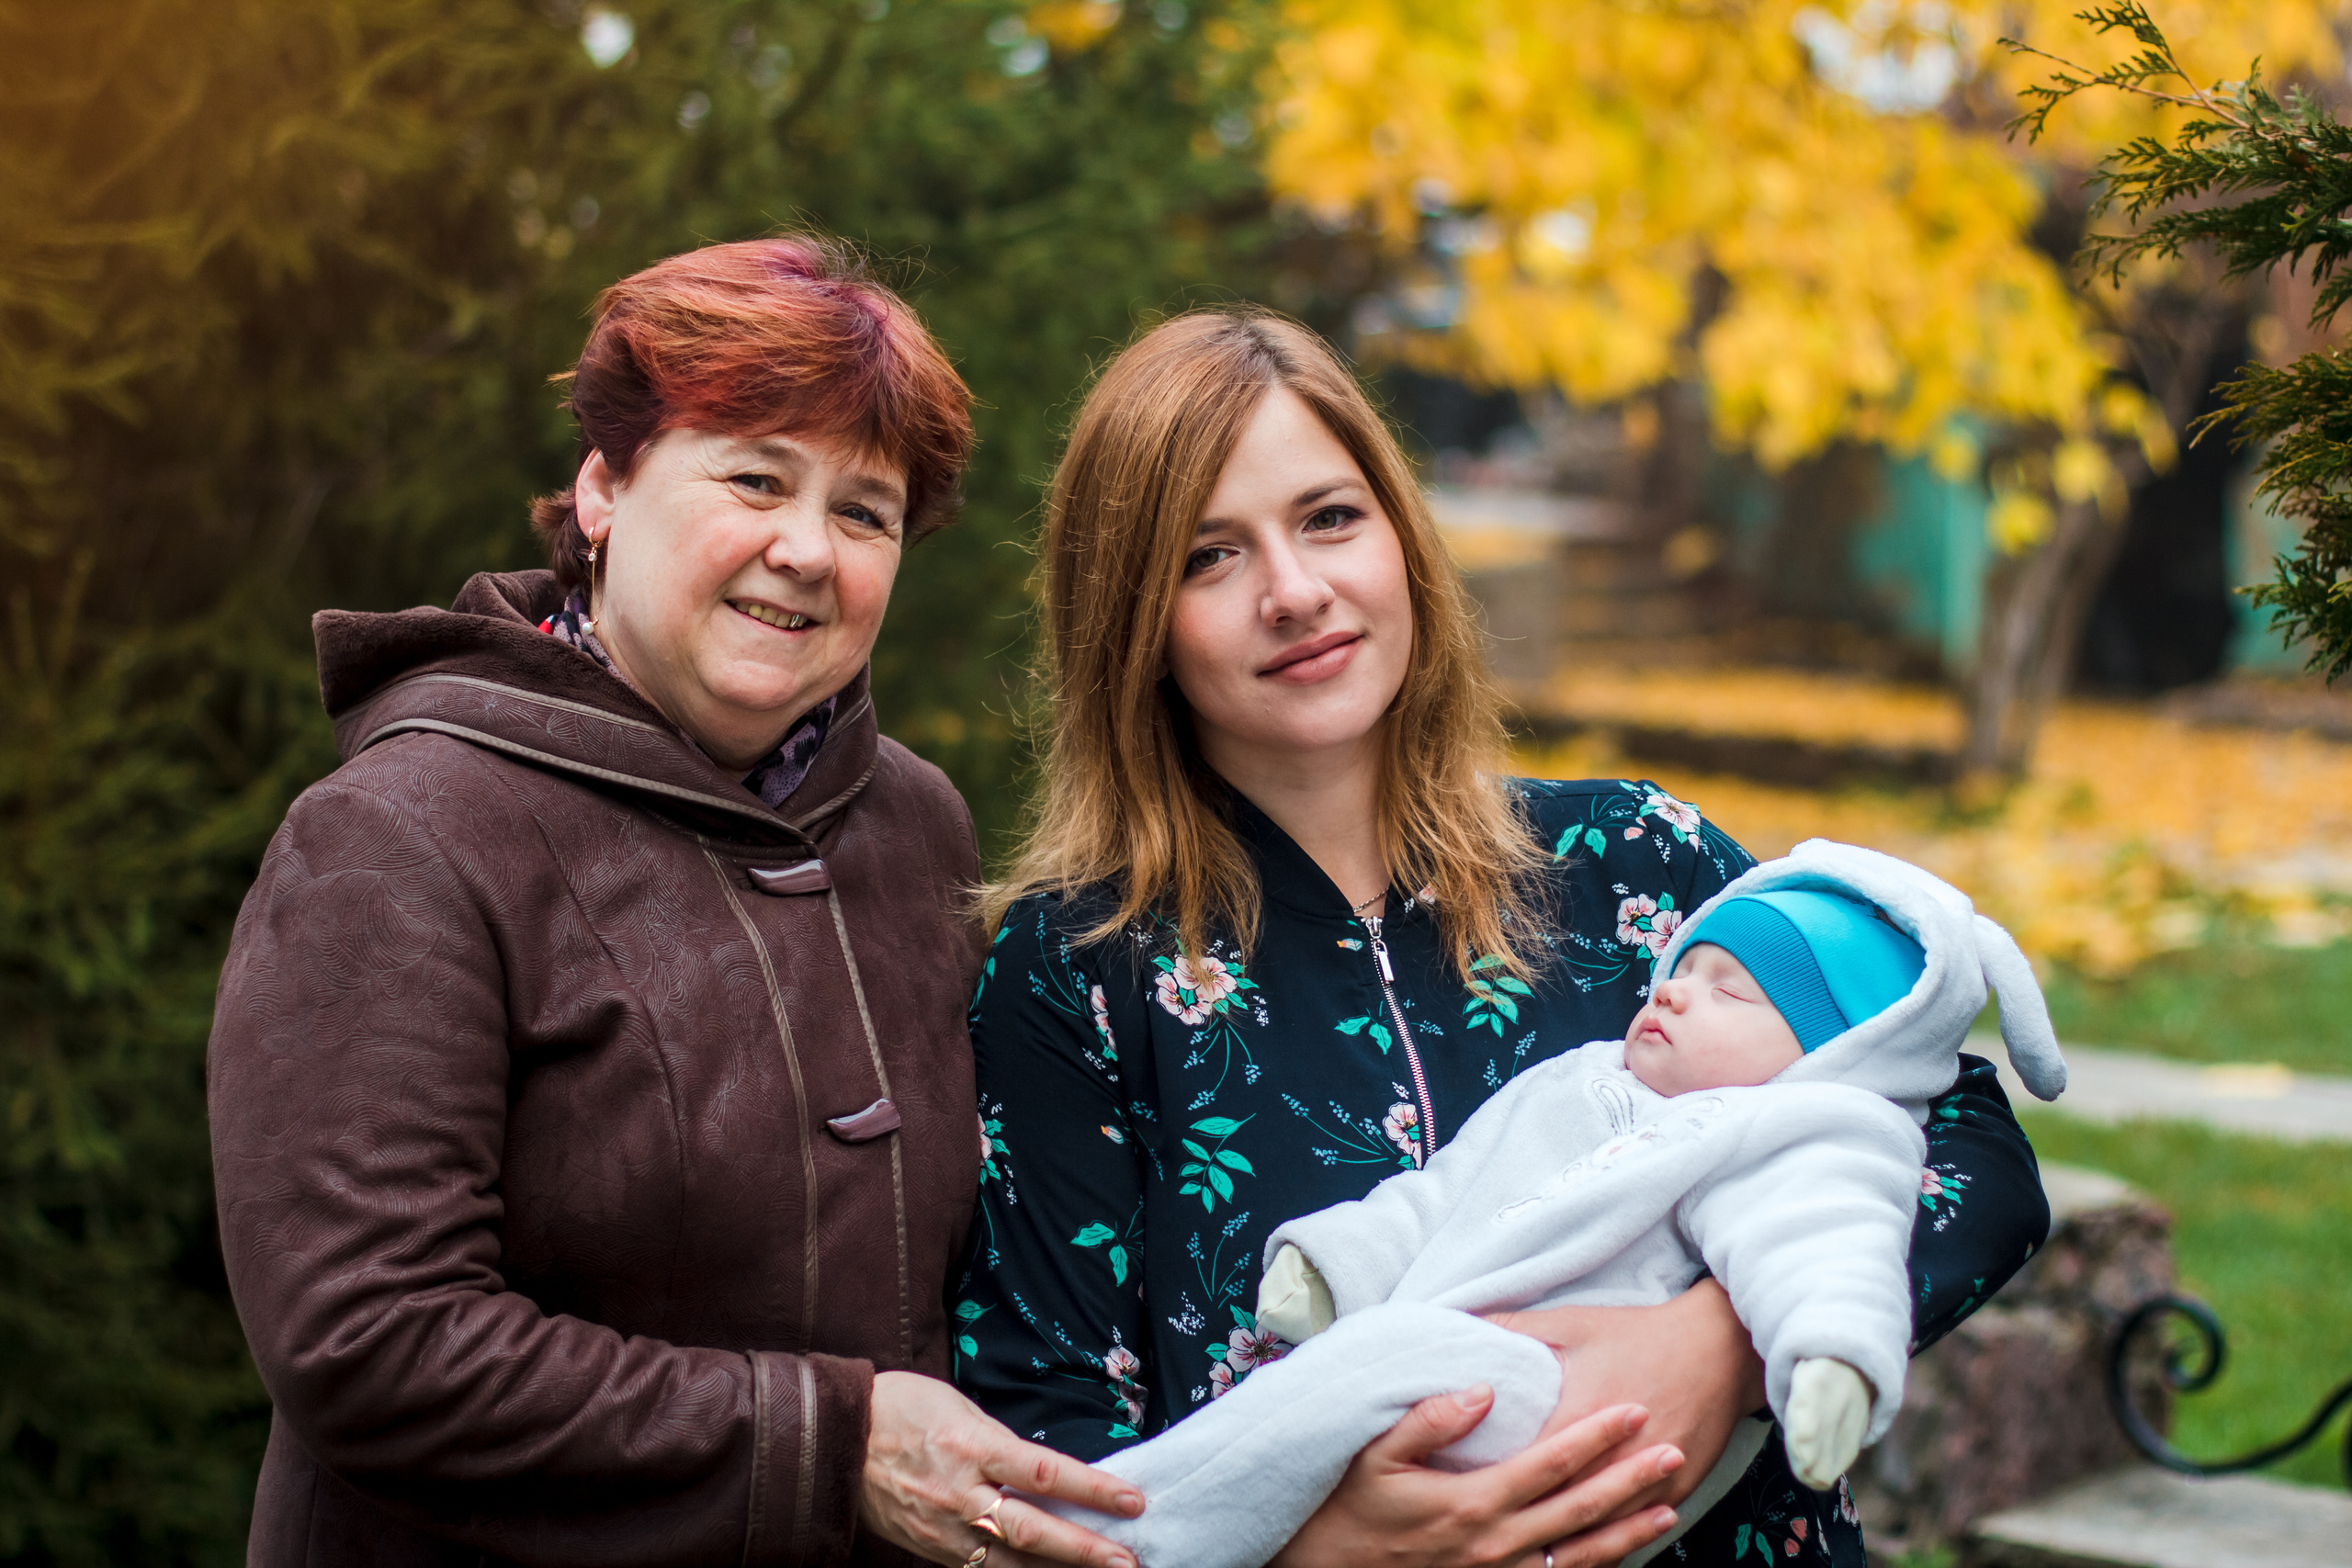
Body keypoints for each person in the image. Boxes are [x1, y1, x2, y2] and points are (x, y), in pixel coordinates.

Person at [954, 310, 2053, 1568]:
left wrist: (1723, 1348)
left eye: (1329, 517)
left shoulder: (1637, 863)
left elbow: (1962, 1136)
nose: (1295, 590)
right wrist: (1317, 1546)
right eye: (1209, 556)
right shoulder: (1076, 972)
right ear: (1132, 622)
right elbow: (1045, 1436)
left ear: (1403, 539)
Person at [208, 237, 1143, 1568]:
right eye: (755, 477)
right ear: (603, 485)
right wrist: (835, 1443)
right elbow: (369, 1339)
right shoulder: (399, 834)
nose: (806, 549)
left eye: (865, 512)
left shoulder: (910, 822)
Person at [1032, 841, 2073, 1568]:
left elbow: (1828, 1246)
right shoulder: (1582, 1083)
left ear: (1832, 1053)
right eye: (1683, 969)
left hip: (1575, 1408)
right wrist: (1336, 1263)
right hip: (1465, 1381)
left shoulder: (1808, 1129)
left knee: (1365, 1368)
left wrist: (1813, 1357)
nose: (1672, 993)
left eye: (1731, 994)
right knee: (1348, 1376)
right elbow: (1444, 1196)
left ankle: (1137, 1540)